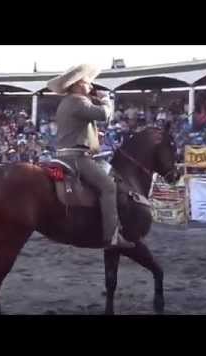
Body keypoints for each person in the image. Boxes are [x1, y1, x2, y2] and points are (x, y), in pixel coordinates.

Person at [47, 64, 134, 249]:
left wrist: (93, 137)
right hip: (76, 158)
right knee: (109, 187)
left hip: (64, 154)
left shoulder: (66, 102)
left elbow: (77, 128)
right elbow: (103, 115)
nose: (91, 86)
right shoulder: (79, 101)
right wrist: (107, 100)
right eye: (88, 83)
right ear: (78, 84)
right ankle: (112, 237)